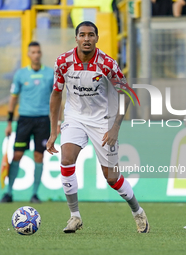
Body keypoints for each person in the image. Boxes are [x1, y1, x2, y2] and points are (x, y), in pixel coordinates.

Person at [46, 21, 150, 233]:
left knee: (111, 177)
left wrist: (114, 128)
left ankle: (137, 211)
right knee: (66, 159)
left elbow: (127, 94)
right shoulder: (63, 62)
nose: (86, 39)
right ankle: (74, 216)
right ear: (76, 38)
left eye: (91, 35)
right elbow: (56, 93)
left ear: (96, 38)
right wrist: (53, 131)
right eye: (82, 35)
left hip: (103, 120)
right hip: (75, 117)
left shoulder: (107, 64)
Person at [0, 41, 57, 203]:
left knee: (39, 156)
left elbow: (56, 98)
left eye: (38, 52)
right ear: (28, 55)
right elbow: (13, 98)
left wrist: (57, 121)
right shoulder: (20, 74)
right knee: (17, 154)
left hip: (43, 120)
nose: (36, 55)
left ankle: (34, 194)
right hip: (24, 119)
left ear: (41, 54)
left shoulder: (49, 74)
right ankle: (9, 192)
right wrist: (9, 122)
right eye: (33, 52)